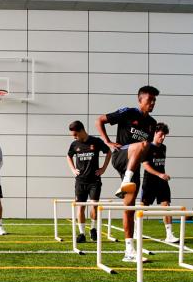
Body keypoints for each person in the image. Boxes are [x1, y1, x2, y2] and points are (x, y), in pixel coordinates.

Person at [96, 85, 158, 262]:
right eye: (149, 100)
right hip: (121, 155)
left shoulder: (152, 124)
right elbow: (99, 120)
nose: (152, 103)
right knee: (143, 145)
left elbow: (146, 152)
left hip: (134, 165)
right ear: (140, 100)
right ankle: (126, 181)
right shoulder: (129, 112)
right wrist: (107, 142)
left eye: (154, 100)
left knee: (129, 208)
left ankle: (129, 251)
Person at [66, 120, 110, 243]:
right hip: (80, 181)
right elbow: (69, 156)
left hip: (94, 181)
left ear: (82, 130)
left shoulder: (96, 142)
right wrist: (73, 169)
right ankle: (81, 233)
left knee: (94, 206)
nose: (74, 137)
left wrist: (103, 168)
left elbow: (108, 152)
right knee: (80, 207)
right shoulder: (74, 144)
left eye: (75, 134)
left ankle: (93, 229)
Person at [140, 122, 178, 243]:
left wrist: (162, 175)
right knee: (143, 207)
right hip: (149, 180)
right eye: (161, 135)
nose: (163, 138)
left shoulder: (163, 148)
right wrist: (159, 174)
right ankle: (136, 231)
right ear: (155, 133)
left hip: (162, 182)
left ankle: (169, 235)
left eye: (165, 136)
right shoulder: (147, 147)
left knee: (166, 205)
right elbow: (145, 165)